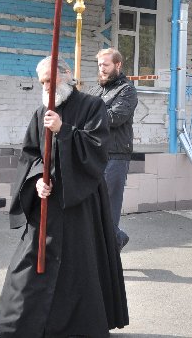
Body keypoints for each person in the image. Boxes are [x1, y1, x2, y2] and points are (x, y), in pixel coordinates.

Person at [0, 57, 128, 337]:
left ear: (66, 74)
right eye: (42, 82)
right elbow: (31, 155)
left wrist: (63, 130)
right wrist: (36, 182)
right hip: (48, 203)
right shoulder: (40, 113)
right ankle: (18, 325)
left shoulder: (92, 106)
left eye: (50, 79)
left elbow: (97, 150)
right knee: (29, 262)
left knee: (79, 265)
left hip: (82, 202)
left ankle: (78, 327)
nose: (46, 86)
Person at [84, 48, 139, 252]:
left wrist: (89, 115)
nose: (102, 69)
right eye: (99, 65)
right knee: (93, 206)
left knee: (108, 207)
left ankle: (110, 249)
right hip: (94, 154)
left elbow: (115, 118)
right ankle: (116, 239)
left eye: (105, 65)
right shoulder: (96, 90)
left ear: (117, 65)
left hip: (115, 156)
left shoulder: (127, 90)